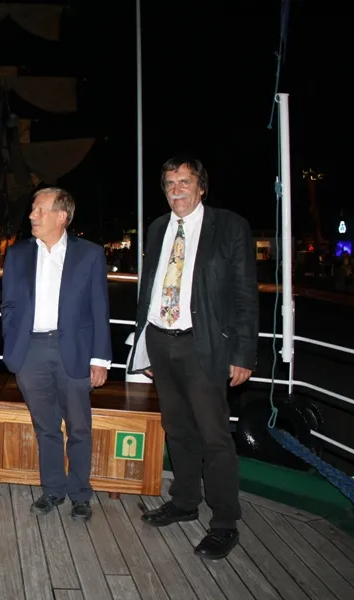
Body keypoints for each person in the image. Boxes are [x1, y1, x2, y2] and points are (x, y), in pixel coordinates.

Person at [126, 155, 258, 559]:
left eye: (184, 182)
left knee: (214, 436)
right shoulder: (158, 228)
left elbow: (245, 295)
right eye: (170, 184)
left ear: (201, 186)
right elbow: (150, 288)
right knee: (177, 428)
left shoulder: (229, 227)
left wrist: (243, 353)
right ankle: (184, 501)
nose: (176, 190)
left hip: (204, 346)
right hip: (161, 341)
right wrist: (144, 345)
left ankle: (225, 522)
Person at [1, 187, 113, 520]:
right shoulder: (17, 254)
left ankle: (80, 494)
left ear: (62, 216)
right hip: (30, 351)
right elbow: (9, 304)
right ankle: (52, 490)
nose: (32, 215)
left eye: (40, 210)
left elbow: (99, 307)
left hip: (74, 351)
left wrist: (100, 358)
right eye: (33, 210)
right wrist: (12, 343)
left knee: (79, 427)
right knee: (45, 426)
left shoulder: (89, 254)